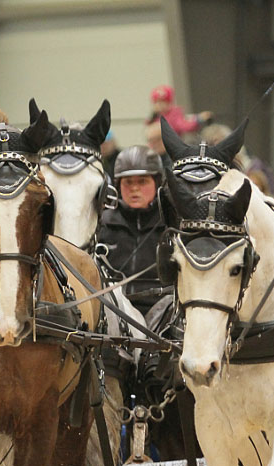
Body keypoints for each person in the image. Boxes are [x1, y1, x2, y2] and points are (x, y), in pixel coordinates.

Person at [97, 145, 165, 314]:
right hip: (115, 312)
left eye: (142, 181)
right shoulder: (102, 224)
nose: (134, 189)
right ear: (118, 185)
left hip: (163, 312)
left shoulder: (171, 224)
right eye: (128, 182)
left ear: (157, 183)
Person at [146, 85, 212, 137]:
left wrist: (199, 119)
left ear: (169, 103)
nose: (158, 105)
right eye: (156, 102)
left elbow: (184, 125)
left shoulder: (174, 113)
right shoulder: (154, 117)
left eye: (162, 102)